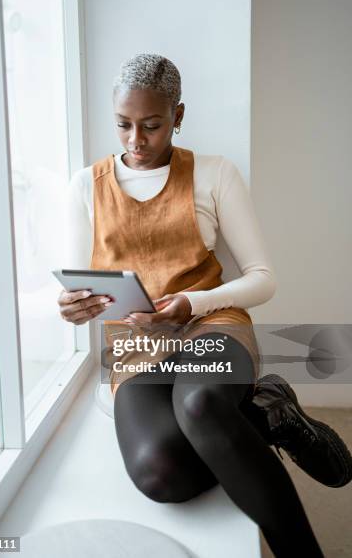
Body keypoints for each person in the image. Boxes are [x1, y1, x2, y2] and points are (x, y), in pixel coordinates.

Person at [58, 54, 351, 557]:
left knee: (201, 404)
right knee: (161, 475)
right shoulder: (86, 186)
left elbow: (263, 279)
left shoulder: (215, 174)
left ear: (178, 114)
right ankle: (267, 415)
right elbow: (79, 287)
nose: (135, 140)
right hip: (136, 349)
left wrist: (192, 302)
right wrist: (73, 306)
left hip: (211, 327)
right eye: (123, 125)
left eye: (151, 125)